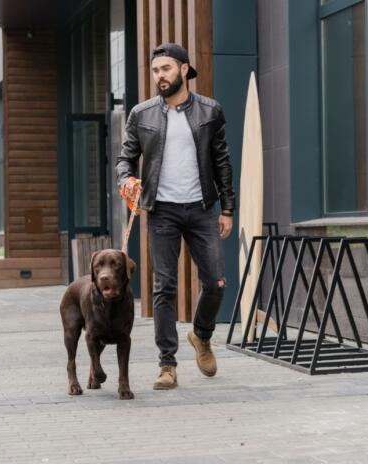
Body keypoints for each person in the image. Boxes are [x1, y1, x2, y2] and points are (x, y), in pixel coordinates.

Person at [116, 43, 235, 390]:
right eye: (155, 71)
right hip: (161, 210)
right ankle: (167, 365)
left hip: (201, 208)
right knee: (163, 288)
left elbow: (222, 163)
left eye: (166, 69)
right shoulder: (142, 114)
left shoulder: (210, 111)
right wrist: (127, 181)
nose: (160, 76)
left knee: (215, 283)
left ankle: (201, 335)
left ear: (184, 70)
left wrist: (227, 208)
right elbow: (125, 159)